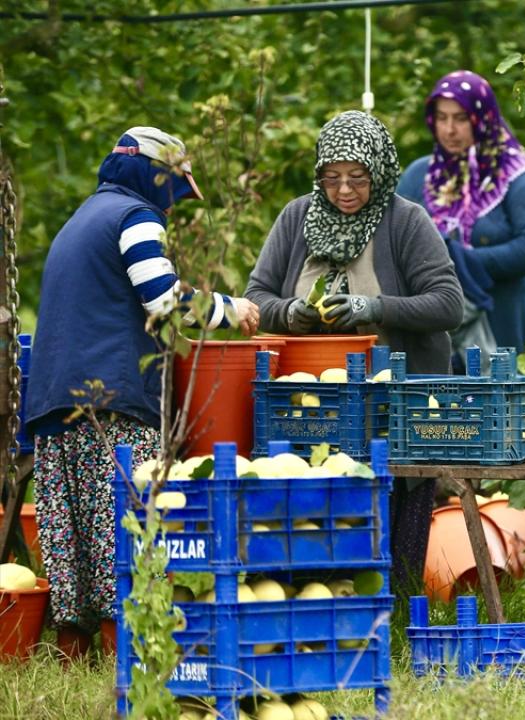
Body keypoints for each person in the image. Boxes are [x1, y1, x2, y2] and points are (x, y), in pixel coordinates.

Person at [25, 127, 260, 659]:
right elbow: (160, 297)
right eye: (174, 195)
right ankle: (122, 657)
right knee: (122, 530)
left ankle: (72, 655)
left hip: (55, 401)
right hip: (112, 401)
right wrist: (230, 308)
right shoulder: (135, 217)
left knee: (70, 538)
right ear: (155, 178)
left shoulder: (84, 216)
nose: (172, 211)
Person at [245, 110, 463, 593]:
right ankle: (309, 599)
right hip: (307, 410)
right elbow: (255, 297)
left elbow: (449, 303)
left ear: (379, 173)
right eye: (332, 178)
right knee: (310, 527)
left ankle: (396, 610)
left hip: (390, 408)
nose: (344, 190)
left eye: (357, 178)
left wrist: (375, 306)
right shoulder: (296, 218)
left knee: (386, 540)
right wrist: (289, 313)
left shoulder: (405, 222)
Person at [397, 69, 525, 367]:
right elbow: (394, 238)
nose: (449, 130)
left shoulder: (516, 177)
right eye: (442, 118)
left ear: (483, 118)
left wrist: (461, 262)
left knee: (497, 410)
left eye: (461, 118)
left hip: (499, 322)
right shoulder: (419, 176)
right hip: (433, 327)